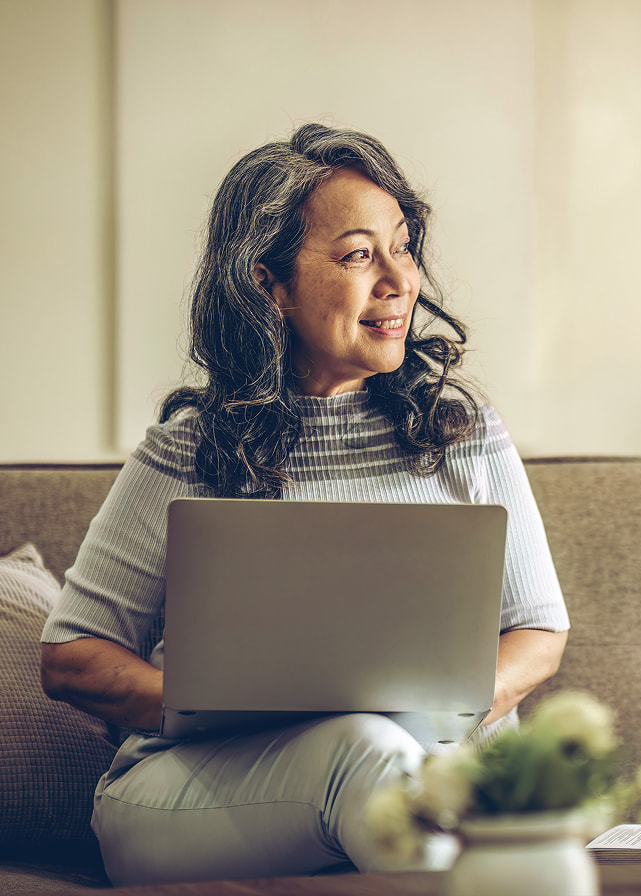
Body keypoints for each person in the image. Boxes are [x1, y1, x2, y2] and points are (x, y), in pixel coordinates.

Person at [40, 122, 569, 886]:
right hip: (193, 795)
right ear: (270, 285)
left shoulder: (464, 434)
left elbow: (539, 633)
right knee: (362, 748)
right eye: (358, 254)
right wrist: (235, 705)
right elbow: (72, 660)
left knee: (377, 748)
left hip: (420, 773)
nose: (400, 281)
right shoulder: (189, 450)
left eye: (403, 244)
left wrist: (426, 713)